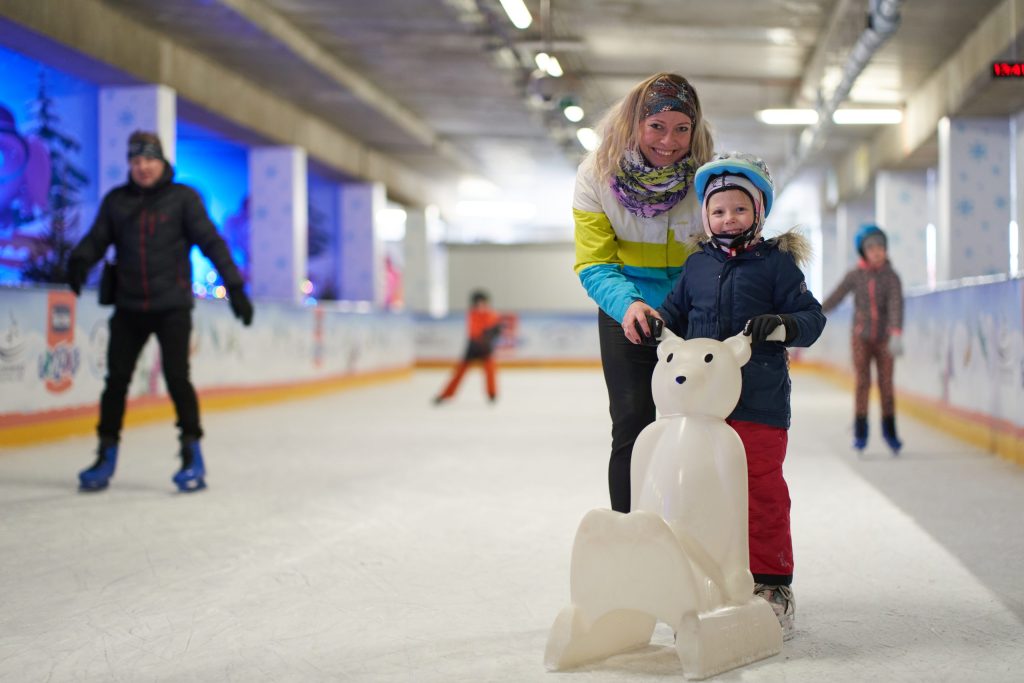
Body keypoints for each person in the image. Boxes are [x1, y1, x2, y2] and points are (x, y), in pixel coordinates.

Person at [646, 151, 826, 638]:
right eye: (719, 210)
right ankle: (708, 578)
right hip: (703, 409)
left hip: (758, 404)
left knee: (760, 490)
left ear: (759, 213)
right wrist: (655, 325)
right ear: (705, 215)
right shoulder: (696, 267)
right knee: (702, 492)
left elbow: (813, 321)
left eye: (740, 209)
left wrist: (783, 324)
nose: (729, 219)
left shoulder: (777, 266)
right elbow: (673, 314)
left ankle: (771, 583)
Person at [65, 130, 254, 493]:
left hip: (172, 307)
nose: (142, 167)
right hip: (129, 305)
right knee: (115, 382)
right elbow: (97, 237)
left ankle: (191, 454)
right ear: (130, 165)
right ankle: (105, 455)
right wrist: (79, 260)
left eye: (148, 160)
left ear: (162, 161)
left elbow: (210, 242)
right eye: (136, 161)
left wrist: (234, 287)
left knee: (177, 378)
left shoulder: (182, 199)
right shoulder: (117, 202)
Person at [573, 72, 714, 514]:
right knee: (632, 421)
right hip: (627, 307)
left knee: (699, 424)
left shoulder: (710, 176)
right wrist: (629, 305)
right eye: (656, 126)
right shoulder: (595, 175)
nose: (669, 141)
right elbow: (594, 262)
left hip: (694, 311)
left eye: (681, 129)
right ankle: (628, 534)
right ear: (635, 123)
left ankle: (691, 526)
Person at [821, 224, 905, 453]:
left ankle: (890, 431)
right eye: (871, 248)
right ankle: (860, 432)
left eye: (881, 247)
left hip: (886, 339)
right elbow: (836, 296)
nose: (877, 251)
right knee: (862, 383)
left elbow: (897, 305)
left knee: (886, 385)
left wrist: (896, 333)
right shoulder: (855, 275)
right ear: (863, 252)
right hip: (861, 337)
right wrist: (816, 311)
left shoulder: (892, 277)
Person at [433, 289, 503, 404]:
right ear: (474, 303)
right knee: (459, 372)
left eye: (483, 302)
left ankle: (492, 394)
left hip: (486, 347)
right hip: (473, 346)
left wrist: (492, 333)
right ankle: (446, 394)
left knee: (490, 371)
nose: (481, 305)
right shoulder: (472, 314)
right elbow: (475, 331)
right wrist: (485, 334)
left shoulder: (492, 314)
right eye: (478, 303)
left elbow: (496, 329)